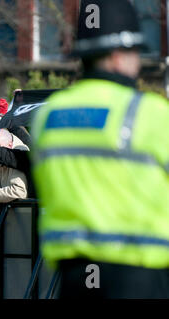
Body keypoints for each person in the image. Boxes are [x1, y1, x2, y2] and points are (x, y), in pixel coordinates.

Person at [31, 0, 169, 298]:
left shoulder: (47, 117)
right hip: (141, 277)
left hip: (74, 280)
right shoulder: (151, 114)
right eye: (136, 53)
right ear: (119, 56)